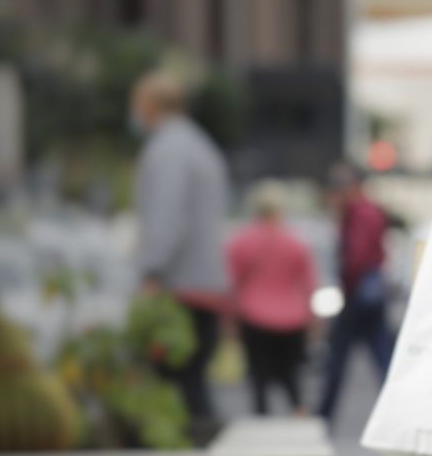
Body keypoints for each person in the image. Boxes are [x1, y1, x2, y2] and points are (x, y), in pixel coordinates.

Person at [130, 70, 231, 425]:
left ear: (151, 105)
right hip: (205, 284)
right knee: (193, 385)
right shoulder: (201, 145)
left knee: (177, 390)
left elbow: (165, 217)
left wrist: (151, 272)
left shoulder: (167, 150)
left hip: (179, 288)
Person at [225, 180, 318, 416]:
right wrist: (313, 319)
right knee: (291, 375)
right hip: (291, 317)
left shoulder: (241, 241)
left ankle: (262, 420)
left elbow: (233, 282)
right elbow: (308, 283)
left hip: (254, 315)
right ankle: (299, 413)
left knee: (258, 377)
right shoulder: (295, 241)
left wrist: (228, 318)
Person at [316, 163, 396, 425]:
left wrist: (347, 283)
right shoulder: (369, 211)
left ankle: (324, 415)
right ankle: (397, 413)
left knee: (339, 358)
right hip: (370, 293)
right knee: (381, 356)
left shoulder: (358, 213)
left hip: (358, 293)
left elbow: (357, 257)